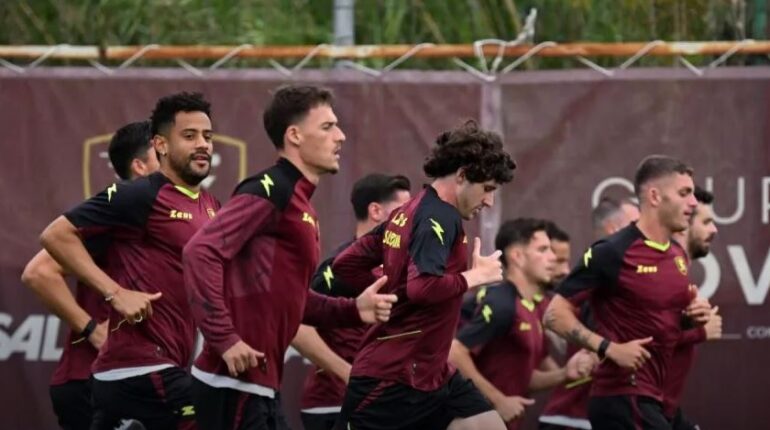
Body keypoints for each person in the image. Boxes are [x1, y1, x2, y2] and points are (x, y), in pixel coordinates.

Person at [182, 84, 398, 430]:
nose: (340, 136)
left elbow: (291, 298)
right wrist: (225, 339)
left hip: (260, 387)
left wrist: (353, 309)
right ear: (294, 135)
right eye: (327, 127)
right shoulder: (273, 189)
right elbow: (200, 251)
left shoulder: (301, 204)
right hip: (231, 384)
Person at [40, 92, 220, 429]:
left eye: (207, 136)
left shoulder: (211, 206)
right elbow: (54, 236)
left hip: (164, 366)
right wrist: (115, 293)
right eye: (189, 135)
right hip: (138, 368)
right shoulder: (138, 194)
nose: (202, 144)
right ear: (160, 145)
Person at [331, 119, 517, 430]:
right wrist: (475, 277)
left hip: (433, 373)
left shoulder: (408, 211)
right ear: (461, 175)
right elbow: (423, 288)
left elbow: (346, 263)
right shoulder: (440, 216)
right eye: (487, 189)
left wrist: (392, 294)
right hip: (392, 379)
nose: (489, 201)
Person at [544, 155, 711, 430]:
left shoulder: (677, 254)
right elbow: (554, 315)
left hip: (655, 398)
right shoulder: (613, 251)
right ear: (654, 196)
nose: (693, 202)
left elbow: (659, 323)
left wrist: (690, 319)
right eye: (684, 193)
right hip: (622, 398)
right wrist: (609, 349)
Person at [22, 121, 158, 430]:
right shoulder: (118, 213)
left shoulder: (165, 218)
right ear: (139, 166)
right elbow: (39, 272)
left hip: (140, 378)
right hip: (93, 380)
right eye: (160, 153)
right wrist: (93, 329)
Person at [450, 218, 592, 430]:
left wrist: (564, 373)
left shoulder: (533, 308)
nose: (553, 258)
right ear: (516, 256)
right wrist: (498, 400)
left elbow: (524, 376)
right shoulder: (503, 304)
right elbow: (454, 353)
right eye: (543, 249)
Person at [299, 173, 411, 430]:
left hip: (385, 406)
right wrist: (347, 373)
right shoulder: (340, 266)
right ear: (375, 211)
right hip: (335, 404)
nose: (410, 219)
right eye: (403, 211)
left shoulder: (400, 266)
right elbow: (297, 322)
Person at [539, 198, 640, 430]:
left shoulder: (634, 277)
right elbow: (556, 318)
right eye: (635, 224)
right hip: (574, 420)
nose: (644, 233)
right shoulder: (598, 279)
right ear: (614, 229)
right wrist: (604, 350)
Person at [665, 186, 722, 430]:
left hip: (666, 409)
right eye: (707, 222)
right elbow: (647, 337)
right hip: (642, 409)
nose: (714, 230)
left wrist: (688, 323)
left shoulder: (679, 271)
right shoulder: (665, 269)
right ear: (684, 224)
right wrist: (701, 332)